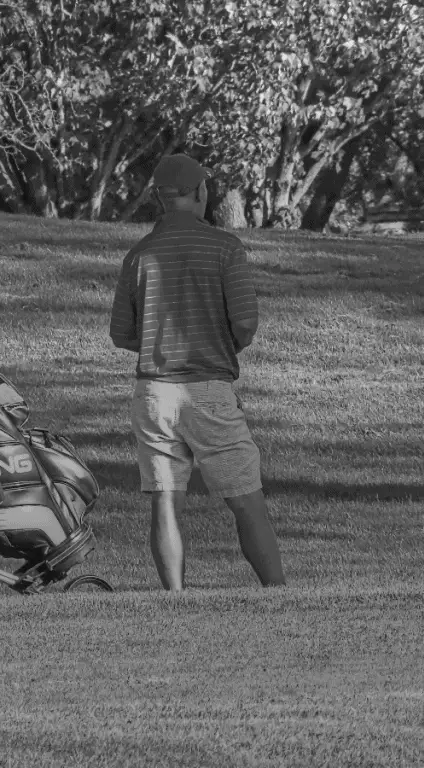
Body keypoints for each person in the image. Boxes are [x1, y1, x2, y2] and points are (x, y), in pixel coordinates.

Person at [109, 153, 286, 592]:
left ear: (158, 198)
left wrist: (157, 344)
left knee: (166, 501)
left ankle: (175, 600)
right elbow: (244, 323)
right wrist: (221, 346)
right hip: (208, 387)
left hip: (153, 392)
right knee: (246, 499)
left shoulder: (139, 255)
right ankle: (279, 592)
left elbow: (122, 333)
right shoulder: (226, 248)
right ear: (203, 193)